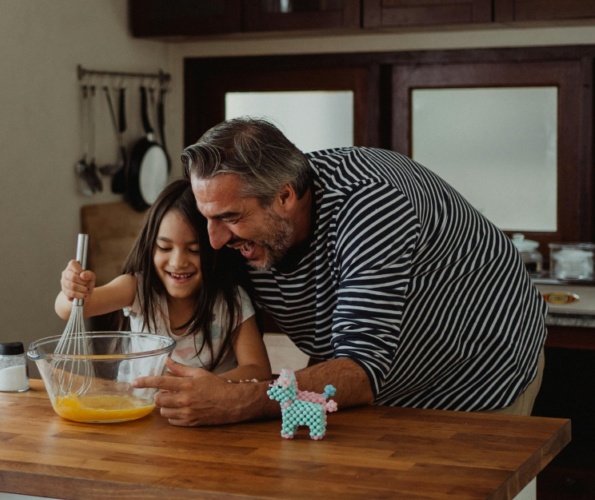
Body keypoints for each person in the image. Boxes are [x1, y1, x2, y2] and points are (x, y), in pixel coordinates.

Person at [133, 118, 547, 426]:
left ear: (285, 196)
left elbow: (359, 370)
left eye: (230, 218)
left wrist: (237, 402)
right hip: (379, 382)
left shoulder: (373, 207)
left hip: (481, 372)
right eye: (209, 218)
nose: (216, 240)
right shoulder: (241, 222)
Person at [56, 179, 271, 382]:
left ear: (216, 251)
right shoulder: (137, 289)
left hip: (207, 416)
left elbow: (259, 371)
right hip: (142, 413)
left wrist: (207, 387)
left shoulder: (231, 301)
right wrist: (74, 289)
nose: (177, 262)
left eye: (194, 250)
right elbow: (69, 310)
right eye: (165, 248)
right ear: (150, 247)